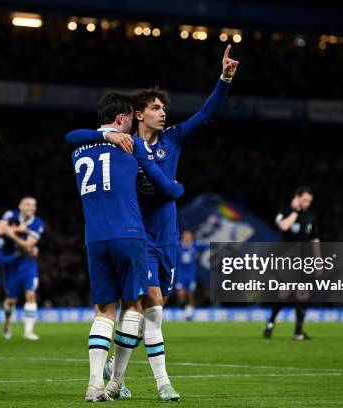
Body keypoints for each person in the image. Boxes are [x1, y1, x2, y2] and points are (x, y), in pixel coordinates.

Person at [66, 44, 238, 400]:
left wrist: (223, 79)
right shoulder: (122, 146)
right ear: (137, 114)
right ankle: (160, 383)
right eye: (156, 108)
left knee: (150, 312)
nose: (163, 113)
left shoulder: (172, 138)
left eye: (164, 109)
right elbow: (77, 136)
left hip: (167, 236)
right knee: (153, 310)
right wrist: (174, 187)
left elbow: (207, 115)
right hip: (135, 234)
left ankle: (115, 373)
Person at [70, 92, 184, 402]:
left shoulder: (79, 152)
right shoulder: (132, 147)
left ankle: (94, 386)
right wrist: (178, 187)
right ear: (123, 118)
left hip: (94, 239)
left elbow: (71, 135)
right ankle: (122, 381)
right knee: (136, 307)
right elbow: (166, 187)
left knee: (104, 312)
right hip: (130, 235)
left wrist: (103, 133)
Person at [265, 185, 320, 340]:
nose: (307, 203)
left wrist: (318, 261)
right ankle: (271, 322)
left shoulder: (311, 217)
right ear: (297, 197)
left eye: (309, 201)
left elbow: (314, 239)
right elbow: (284, 226)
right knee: (284, 293)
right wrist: (295, 211)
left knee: (303, 294)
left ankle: (298, 332)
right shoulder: (285, 212)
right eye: (304, 200)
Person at [0, 197, 44, 341]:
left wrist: (11, 233)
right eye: (28, 204)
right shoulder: (10, 215)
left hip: (28, 264)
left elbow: (28, 245)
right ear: (20, 206)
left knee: (30, 294)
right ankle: (6, 324)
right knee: (11, 300)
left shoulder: (38, 224)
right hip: (11, 263)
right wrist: (19, 230)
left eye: (34, 205)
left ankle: (28, 331)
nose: (31, 207)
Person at [175, 230, 208, 321]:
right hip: (180, 274)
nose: (187, 237)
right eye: (185, 235)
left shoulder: (195, 245)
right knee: (181, 293)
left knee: (190, 294)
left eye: (189, 235)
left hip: (191, 275)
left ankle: (188, 313)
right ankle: (182, 306)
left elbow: (207, 245)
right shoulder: (178, 246)